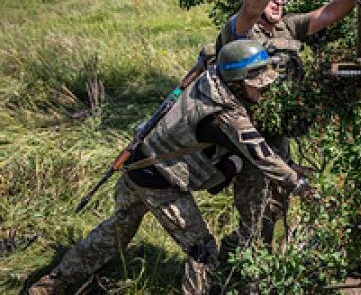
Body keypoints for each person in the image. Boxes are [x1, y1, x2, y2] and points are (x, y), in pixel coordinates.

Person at [28, 40, 316, 295]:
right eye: (259, 86)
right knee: (203, 252)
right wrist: (300, 185)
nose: (265, 91)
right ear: (239, 83)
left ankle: (53, 284)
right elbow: (262, 155)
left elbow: (215, 51)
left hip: (138, 161)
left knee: (115, 232)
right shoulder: (226, 116)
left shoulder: (214, 75)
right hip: (159, 180)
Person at [215, 0, 361, 256]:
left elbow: (325, 14)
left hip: (278, 133)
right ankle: (233, 268)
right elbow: (253, 5)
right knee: (253, 210)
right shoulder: (241, 28)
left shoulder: (286, 27)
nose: (279, 0)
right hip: (248, 136)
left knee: (275, 206)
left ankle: (257, 263)